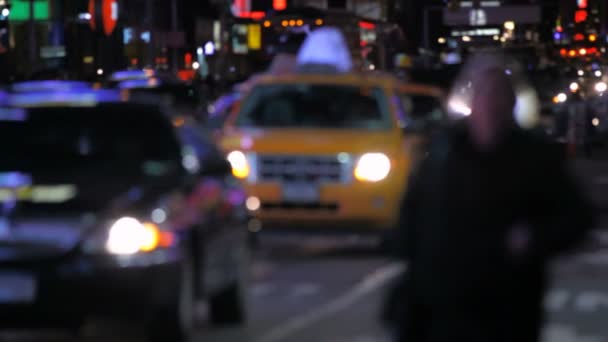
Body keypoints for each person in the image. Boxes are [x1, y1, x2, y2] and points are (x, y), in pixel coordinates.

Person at [389, 62, 595, 342]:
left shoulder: (535, 158)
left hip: (506, 305)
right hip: (441, 306)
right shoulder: (441, 154)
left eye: (498, 97)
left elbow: (577, 217)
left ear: (511, 105)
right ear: (472, 104)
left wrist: (532, 237)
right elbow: (411, 217)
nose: (491, 107)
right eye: (484, 97)